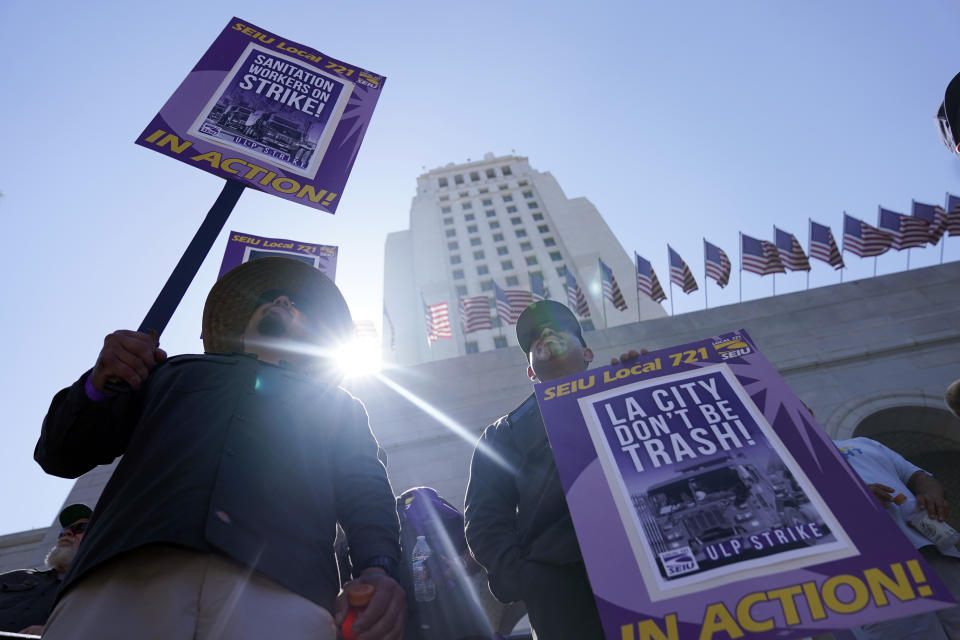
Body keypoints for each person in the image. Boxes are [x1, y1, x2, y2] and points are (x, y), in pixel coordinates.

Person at [35, 257, 405, 640]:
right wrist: (99, 383)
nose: (282, 300)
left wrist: (377, 568)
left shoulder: (337, 403)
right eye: (270, 297)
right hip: (120, 578)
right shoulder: (168, 372)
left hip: (286, 592)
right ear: (243, 316)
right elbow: (60, 453)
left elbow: (365, 489)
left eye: (297, 304)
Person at [465, 300, 637, 639]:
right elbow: (484, 517)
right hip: (561, 591)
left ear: (587, 354)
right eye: (535, 340)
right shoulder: (504, 432)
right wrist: (527, 578)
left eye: (558, 330)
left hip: (645, 568)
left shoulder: (629, 391)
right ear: (530, 371)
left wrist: (649, 380)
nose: (545, 335)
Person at [834, 437, 960, 639]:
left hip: (931, 550)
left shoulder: (863, 443)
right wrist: (849, 499)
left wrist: (932, 494)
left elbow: (918, 476)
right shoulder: (780, 470)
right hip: (870, 576)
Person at [396, 487, 494, 640]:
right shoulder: (355, 528)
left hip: (458, 627)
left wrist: (458, 566)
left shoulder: (418, 502)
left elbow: (478, 546)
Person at [0, 504, 91, 634]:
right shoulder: (18, 577)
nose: (66, 532)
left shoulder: (100, 591)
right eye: (63, 531)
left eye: (80, 528)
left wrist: (56, 633)